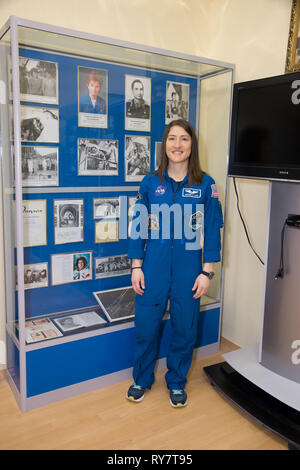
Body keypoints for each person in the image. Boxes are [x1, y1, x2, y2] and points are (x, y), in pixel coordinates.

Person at [127, 119, 223, 407]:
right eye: (172, 139)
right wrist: (136, 266)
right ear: (164, 144)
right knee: (145, 327)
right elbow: (137, 228)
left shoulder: (206, 185)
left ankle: (177, 382)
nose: (177, 145)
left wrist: (207, 272)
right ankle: (141, 379)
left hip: (189, 270)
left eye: (183, 139)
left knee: (185, 329)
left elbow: (212, 230)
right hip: (153, 268)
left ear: (192, 144)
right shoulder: (149, 182)